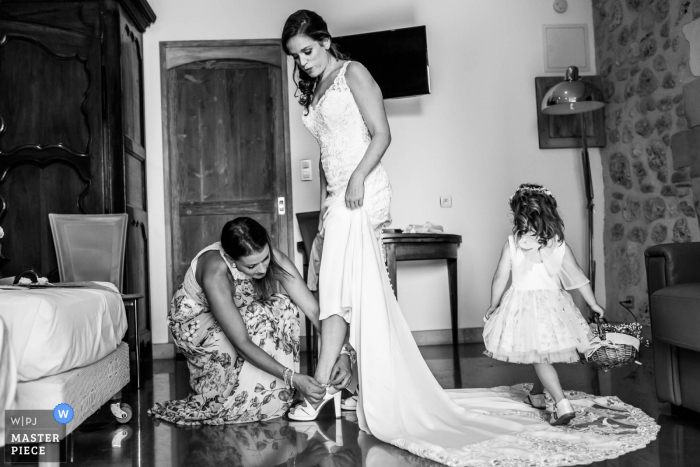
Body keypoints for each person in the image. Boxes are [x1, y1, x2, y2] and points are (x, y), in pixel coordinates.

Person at [281, 9, 657, 465]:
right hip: (337, 196)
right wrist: (325, 211)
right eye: (295, 56)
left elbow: (381, 134)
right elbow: (326, 157)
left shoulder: (352, 72)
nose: (302, 62)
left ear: (324, 40)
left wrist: (358, 179)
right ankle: (354, 387)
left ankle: (322, 387)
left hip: (361, 190)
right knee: (349, 291)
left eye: (307, 51)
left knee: (340, 291)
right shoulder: (315, 86)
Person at [149, 217, 339, 425]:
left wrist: (342, 353)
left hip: (237, 316)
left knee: (284, 307)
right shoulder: (216, 271)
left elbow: (313, 310)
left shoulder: (270, 257)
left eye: (265, 259)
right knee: (259, 317)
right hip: (196, 325)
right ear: (232, 259)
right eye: (251, 266)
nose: (262, 269)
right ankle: (239, 400)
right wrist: (293, 378)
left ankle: (269, 397)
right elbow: (241, 342)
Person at [482, 183, 604, 424]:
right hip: (555, 308)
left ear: (518, 216)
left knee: (539, 355)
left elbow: (499, 278)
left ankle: (561, 402)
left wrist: (493, 304)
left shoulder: (512, 243)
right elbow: (578, 277)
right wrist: (593, 304)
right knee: (540, 353)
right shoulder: (559, 244)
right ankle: (537, 395)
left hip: (522, 309)